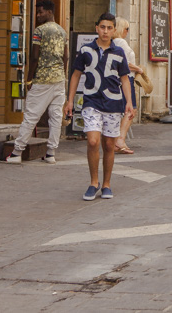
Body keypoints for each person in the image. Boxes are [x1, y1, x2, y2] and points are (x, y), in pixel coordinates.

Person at [65, 13, 135, 201]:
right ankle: (93, 182)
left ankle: (106, 184)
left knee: (109, 145)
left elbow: (125, 79)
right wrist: (70, 100)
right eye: (102, 27)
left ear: (114, 30)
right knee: (93, 141)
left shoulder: (118, 52)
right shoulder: (86, 49)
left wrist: (129, 102)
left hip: (113, 103)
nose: (105, 31)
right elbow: (75, 75)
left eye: (109, 28)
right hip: (91, 101)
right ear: (96, 28)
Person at [6, 0, 67, 164]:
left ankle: (17, 152)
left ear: (50, 12)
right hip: (59, 80)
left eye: (41, 12)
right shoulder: (62, 31)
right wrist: (63, 75)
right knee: (55, 117)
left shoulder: (39, 31)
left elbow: (34, 56)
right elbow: (65, 56)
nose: (38, 15)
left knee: (31, 116)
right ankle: (50, 153)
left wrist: (29, 79)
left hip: (42, 80)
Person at [113, 17, 144, 155]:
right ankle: (120, 140)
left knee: (124, 110)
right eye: (126, 29)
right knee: (131, 109)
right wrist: (138, 69)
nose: (127, 32)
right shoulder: (121, 42)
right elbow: (124, 62)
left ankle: (118, 140)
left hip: (118, 79)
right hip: (126, 78)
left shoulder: (113, 42)